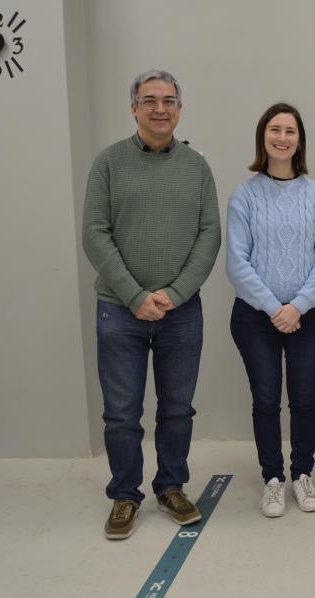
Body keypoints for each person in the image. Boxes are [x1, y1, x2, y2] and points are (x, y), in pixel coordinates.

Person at [82, 70, 221, 539]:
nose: (160, 108)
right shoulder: (108, 163)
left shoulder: (197, 167)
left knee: (177, 408)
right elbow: (94, 233)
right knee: (121, 412)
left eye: (169, 100)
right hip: (119, 310)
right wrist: (135, 296)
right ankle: (125, 495)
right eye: (149, 100)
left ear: (180, 109)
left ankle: (171, 486)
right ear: (134, 108)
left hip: (182, 312)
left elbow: (209, 234)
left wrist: (175, 293)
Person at [227, 103, 315, 518]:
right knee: (266, 399)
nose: (283, 137)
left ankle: (302, 474)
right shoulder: (244, 195)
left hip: (310, 316)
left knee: (305, 398)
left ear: (299, 140)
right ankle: (273, 479)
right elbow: (237, 263)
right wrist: (276, 308)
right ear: (263, 137)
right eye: (275, 129)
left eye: (291, 131)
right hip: (256, 317)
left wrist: (298, 307)